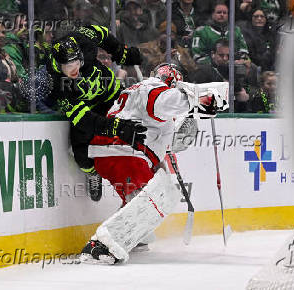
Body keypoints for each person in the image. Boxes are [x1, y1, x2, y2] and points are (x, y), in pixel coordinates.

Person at [79, 63, 229, 264]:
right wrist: (202, 98)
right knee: (154, 200)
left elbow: (158, 131)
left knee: (143, 200)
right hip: (124, 152)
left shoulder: (138, 90)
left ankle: (134, 236)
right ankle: (100, 246)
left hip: (116, 151)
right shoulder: (153, 88)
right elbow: (164, 101)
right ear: (173, 81)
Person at [41, 25, 144, 201]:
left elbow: (102, 33)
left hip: (111, 93)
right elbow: (83, 120)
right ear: (58, 65)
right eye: (67, 65)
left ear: (81, 55)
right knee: (80, 152)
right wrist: (114, 127)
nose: (73, 68)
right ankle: (93, 173)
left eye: (76, 62)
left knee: (139, 120)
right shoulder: (56, 83)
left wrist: (120, 52)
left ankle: (152, 160)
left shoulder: (83, 40)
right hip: (87, 108)